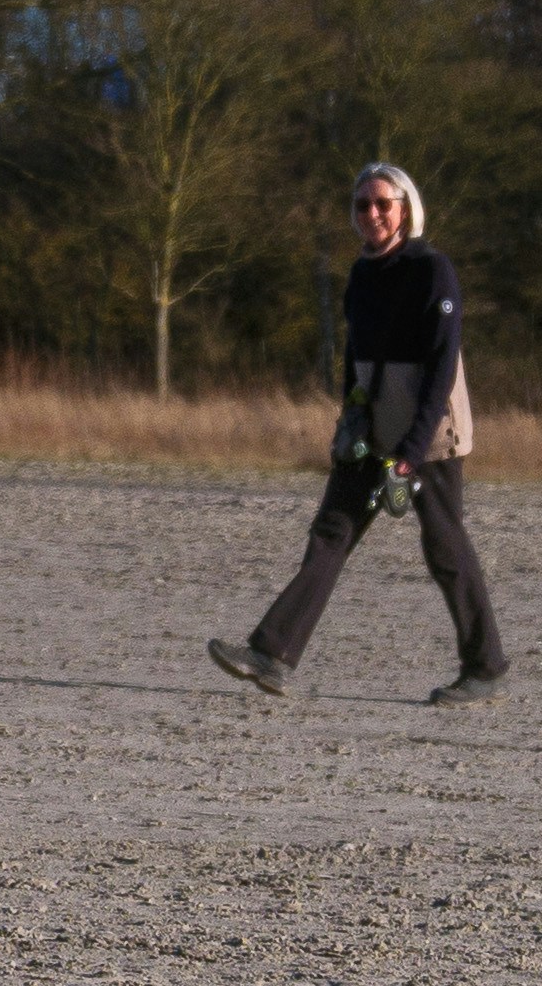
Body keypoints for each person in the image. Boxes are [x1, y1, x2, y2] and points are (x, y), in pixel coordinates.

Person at [209, 157, 510, 702]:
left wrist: (412, 453)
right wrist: (351, 418)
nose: (371, 213)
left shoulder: (433, 270)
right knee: (331, 533)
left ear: (405, 210)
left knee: (445, 546)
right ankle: (271, 654)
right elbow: (355, 356)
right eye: (361, 205)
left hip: (430, 433)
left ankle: (485, 669)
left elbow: (442, 367)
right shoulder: (361, 274)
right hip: (371, 431)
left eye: (382, 204)